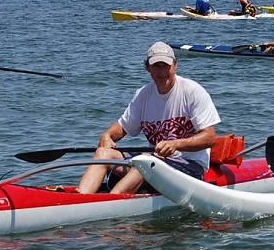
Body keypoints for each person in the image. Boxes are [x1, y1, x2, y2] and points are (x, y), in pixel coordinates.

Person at [76, 41, 220, 195]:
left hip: (190, 167)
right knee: (103, 153)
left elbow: (210, 137)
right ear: (147, 68)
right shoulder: (143, 95)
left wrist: (176, 144)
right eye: (156, 66)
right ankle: (79, 199)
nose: (162, 71)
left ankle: (108, 204)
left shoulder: (193, 92)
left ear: (175, 65)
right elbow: (123, 126)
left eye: (166, 65)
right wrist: (107, 135)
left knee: (146, 161)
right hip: (156, 162)